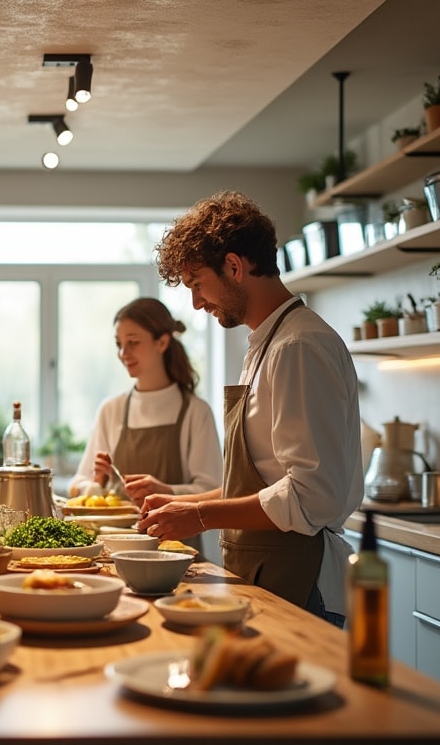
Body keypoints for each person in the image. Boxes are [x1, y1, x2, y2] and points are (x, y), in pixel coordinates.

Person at [137, 191, 362, 627]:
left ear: (235, 267)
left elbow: (311, 495)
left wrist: (199, 515)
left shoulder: (299, 346)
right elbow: (263, 481)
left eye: (197, 284)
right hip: (269, 572)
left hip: (304, 581)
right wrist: (182, 504)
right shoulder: (268, 342)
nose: (197, 303)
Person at [71, 297, 222, 552]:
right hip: (114, 551)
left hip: (177, 554)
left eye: (133, 342)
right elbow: (78, 487)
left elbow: (215, 490)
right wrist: (99, 481)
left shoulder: (196, 412)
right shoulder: (112, 410)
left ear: (161, 342)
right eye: (119, 344)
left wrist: (167, 491)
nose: (123, 353)